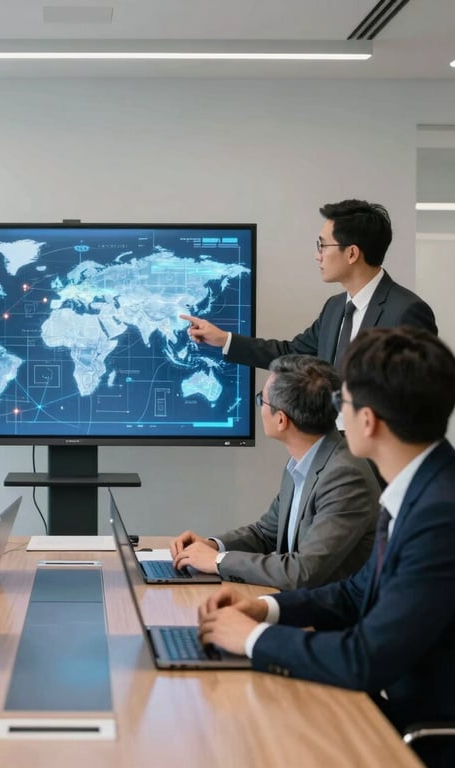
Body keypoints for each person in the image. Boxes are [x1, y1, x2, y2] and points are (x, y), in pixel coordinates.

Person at [198, 327, 455, 768]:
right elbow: (355, 593)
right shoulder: (421, 489)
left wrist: (254, 639)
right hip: (383, 701)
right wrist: (264, 610)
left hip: (413, 733)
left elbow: (364, 658)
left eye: (343, 404)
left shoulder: (439, 516)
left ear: (369, 421)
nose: (336, 416)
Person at [170, 355, 379, 589]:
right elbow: (265, 533)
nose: (259, 407)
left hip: (329, 619)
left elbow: (302, 572)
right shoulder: (303, 460)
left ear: (281, 420)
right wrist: (213, 545)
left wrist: (218, 561)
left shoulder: (345, 476)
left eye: (262, 400)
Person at [181, 199, 437, 371]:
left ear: (352, 253)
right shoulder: (335, 308)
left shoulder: (406, 311)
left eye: (322, 245)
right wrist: (224, 339)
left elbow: (419, 398)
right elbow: (291, 353)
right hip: (333, 449)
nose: (318, 255)